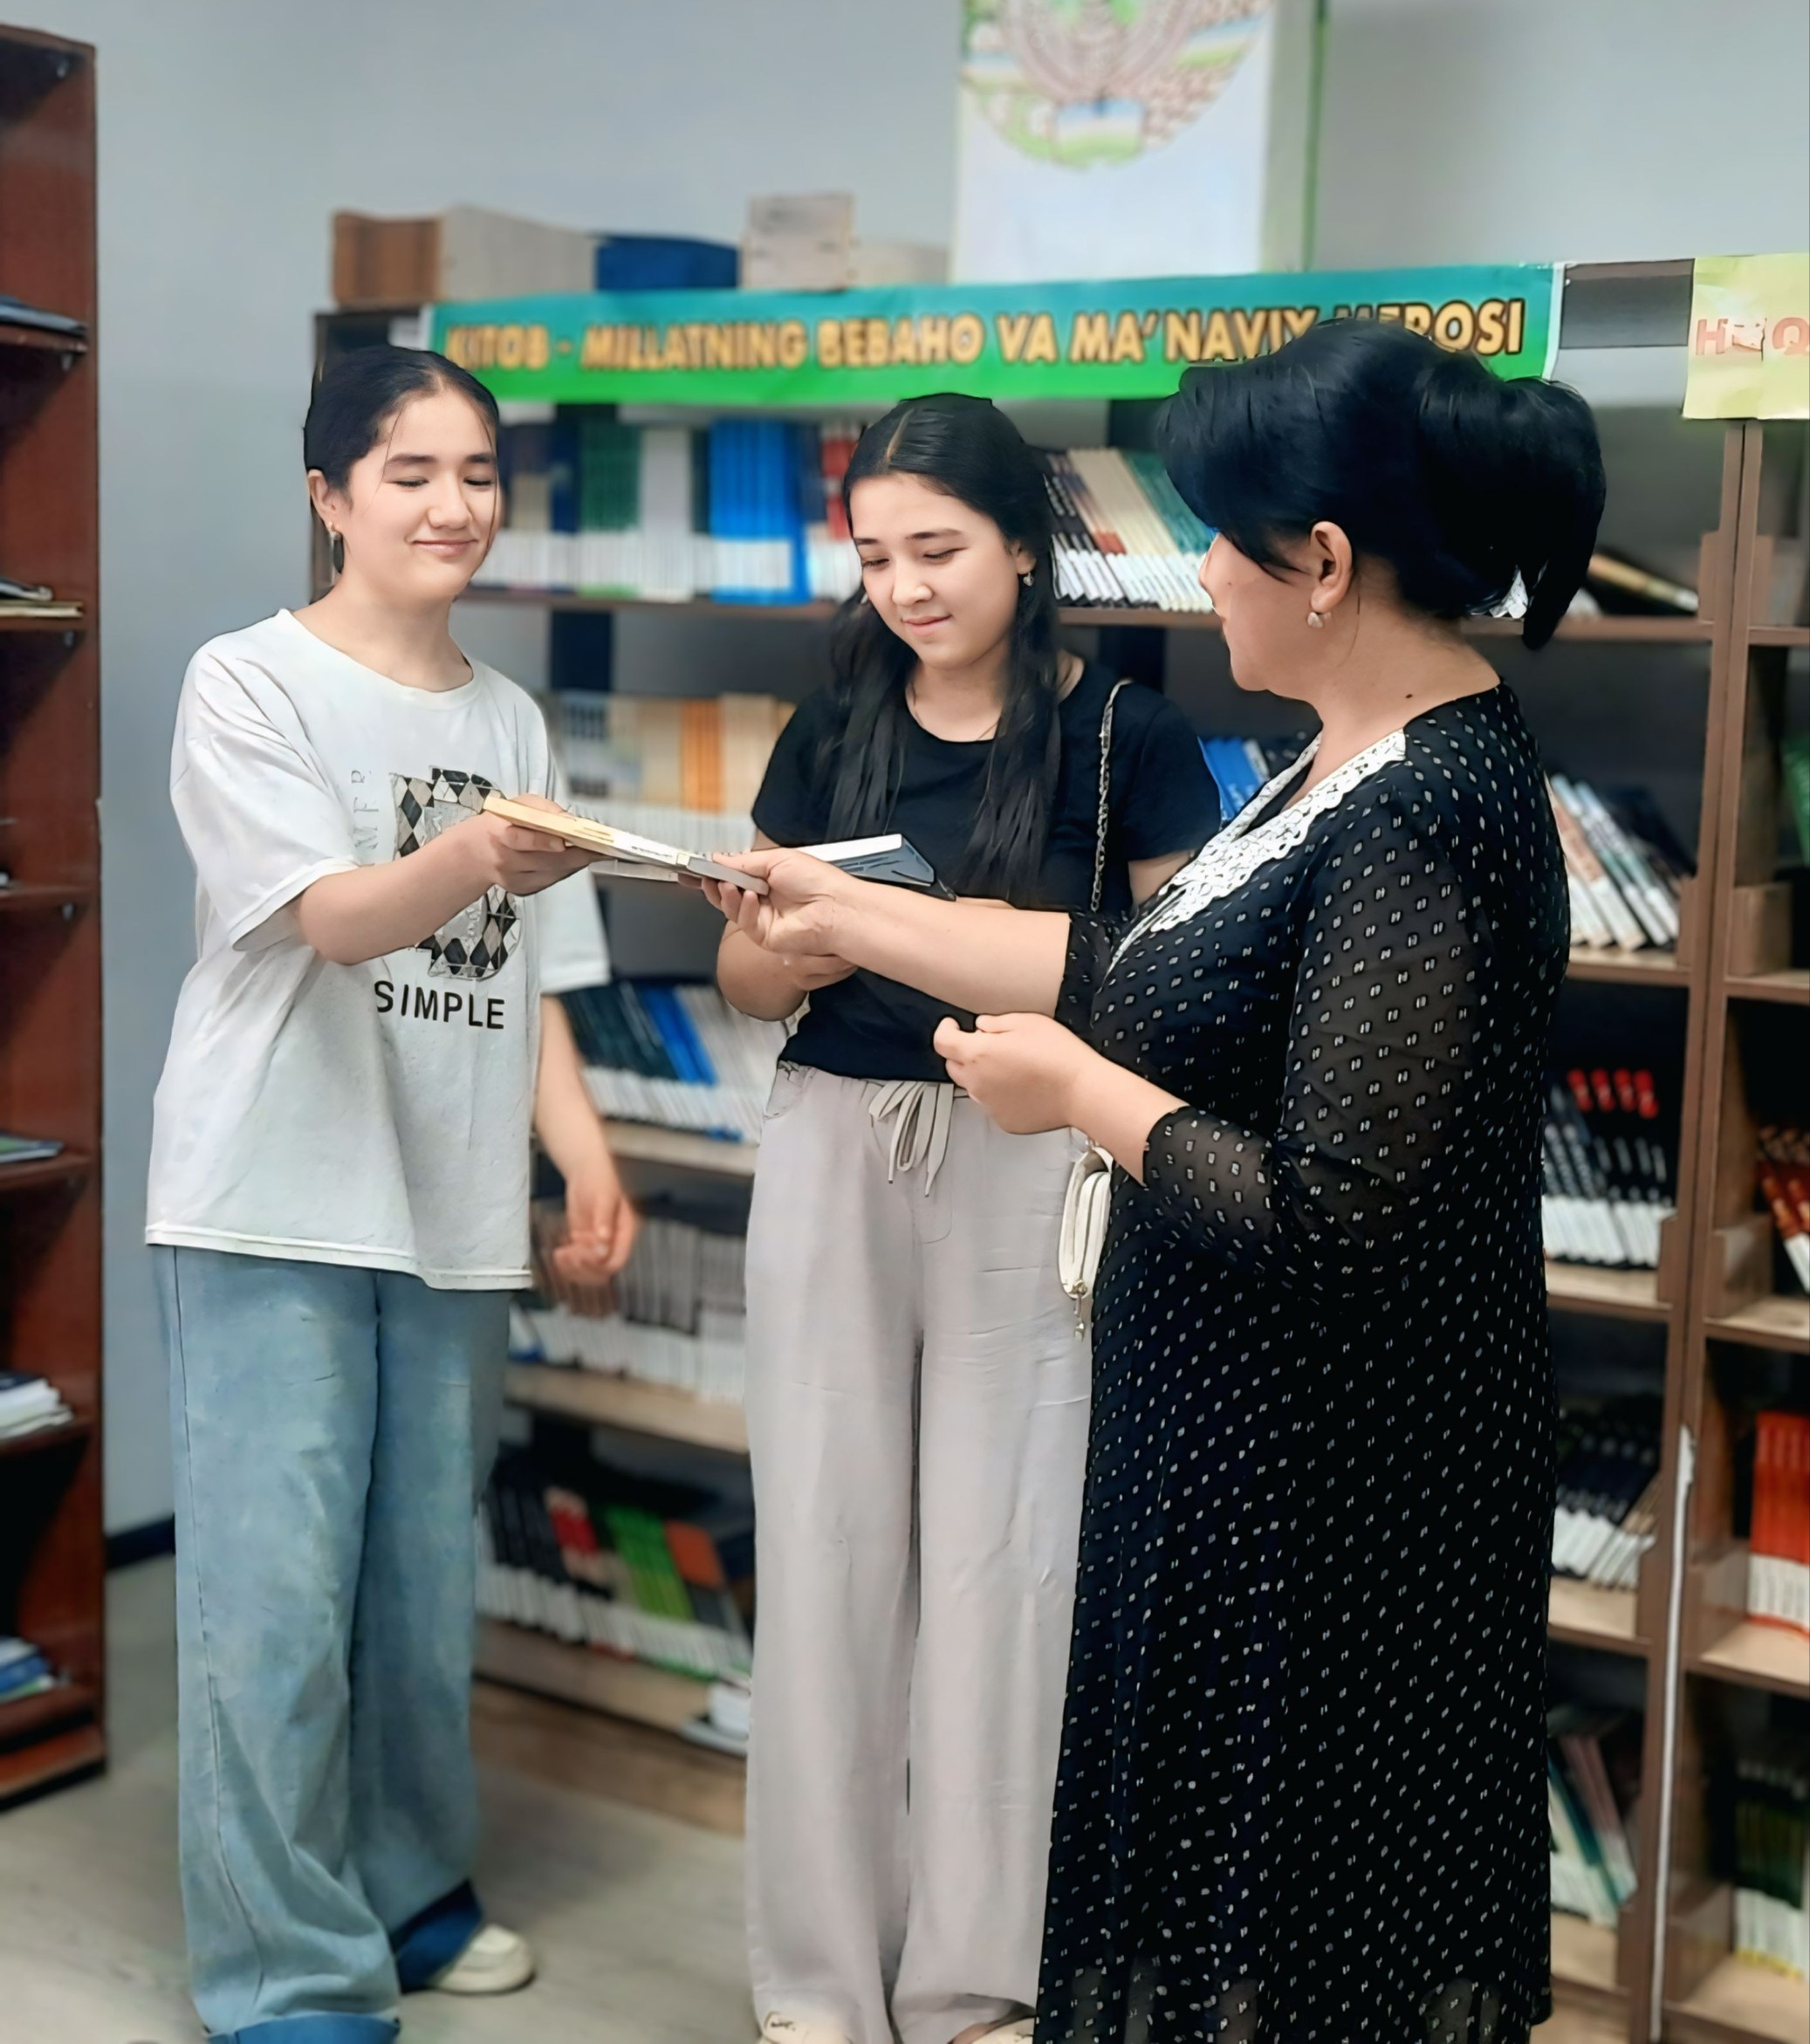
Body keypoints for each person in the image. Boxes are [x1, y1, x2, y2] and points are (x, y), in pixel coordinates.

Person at [706, 321, 1606, 2044]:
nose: (1196, 573)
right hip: (1231, 1468)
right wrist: (849, 913)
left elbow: (1332, 1213)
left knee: (1295, 1935)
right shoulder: (1335, 756)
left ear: (1319, 561)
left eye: (1215, 538)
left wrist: (1082, 1098)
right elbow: (1126, 960)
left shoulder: (1420, 809)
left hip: (1322, 1503)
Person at [145, 346, 637, 2044]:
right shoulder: (247, 680)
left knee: (423, 1593)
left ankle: (413, 1888)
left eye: (477, 472)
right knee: (273, 1610)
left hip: (450, 1209)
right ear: (329, 495)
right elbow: (338, 917)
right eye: (410, 471)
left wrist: (583, 1153)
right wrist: (471, 851)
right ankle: (284, 1969)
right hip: (267, 1196)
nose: (451, 504)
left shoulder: (510, 718)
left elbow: (532, 973)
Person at [717, 394, 1217, 2044]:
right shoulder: (828, 726)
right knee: (824, 1555)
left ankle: (977, 1987)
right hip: (832, 1144)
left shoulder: (1128, 735)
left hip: (1031, 1156)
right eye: (874, 558)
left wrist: (923, 934)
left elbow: (1173, 993)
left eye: (937, 549)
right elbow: (744, 985)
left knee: (1011, 1567)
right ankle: (816, 1987)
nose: (906, 588)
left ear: (1023, 542)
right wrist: (775, 936)